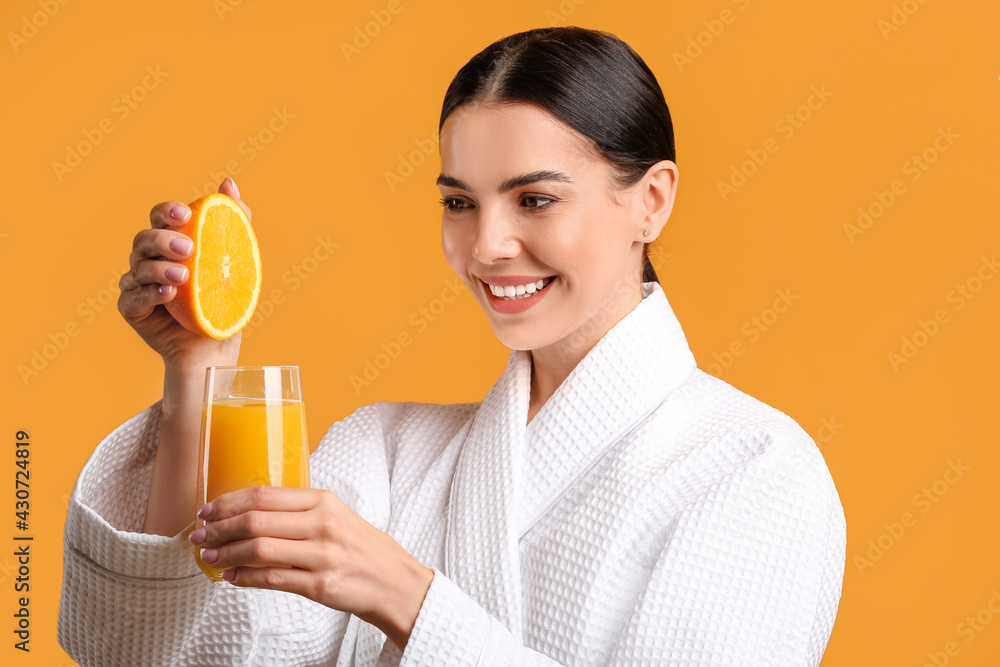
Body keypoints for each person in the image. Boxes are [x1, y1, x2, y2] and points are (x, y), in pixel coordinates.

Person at [58, 26, 846, 666]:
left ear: (652, 199)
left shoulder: (755, 467)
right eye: (460, 203)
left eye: (534, 198)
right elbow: (173, 653)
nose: (488, 244)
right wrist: (196, 369)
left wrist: (405, 594)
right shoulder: (385, 449)